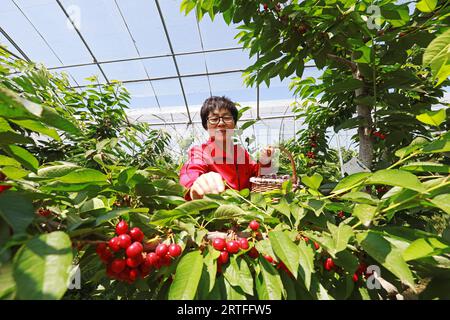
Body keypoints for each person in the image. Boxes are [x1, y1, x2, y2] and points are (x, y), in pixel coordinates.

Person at [180, 96, 274, 200]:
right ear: (205, 125)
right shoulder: (201, 152)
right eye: (214, 119)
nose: (221, 123)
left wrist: (265, 162)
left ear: (234, 124)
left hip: (248, 211)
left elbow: (256, 176)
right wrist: (196, 185)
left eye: (227, 118)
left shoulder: (241, 153)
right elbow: (190, 172)